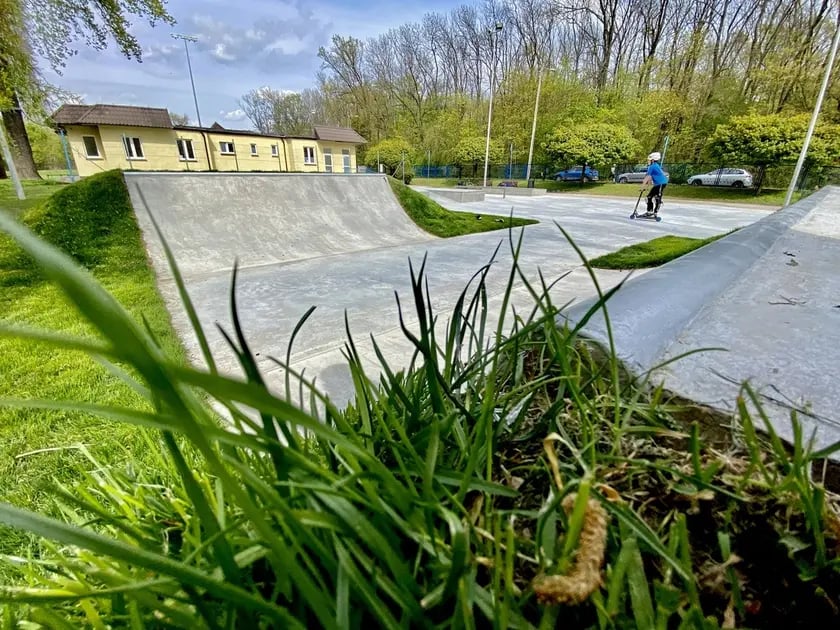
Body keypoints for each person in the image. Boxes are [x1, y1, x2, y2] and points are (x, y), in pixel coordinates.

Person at [641, 151, 668, 217]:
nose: (648, 161)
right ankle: (650, 211)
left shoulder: (652, 166)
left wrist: (642, 187)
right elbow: (650, 178)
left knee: (657, 197)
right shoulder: (654, 166)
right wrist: (646, 187)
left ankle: (655, 212)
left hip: (661, 183)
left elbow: (647, 178)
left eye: (649, 160)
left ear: (653, 160)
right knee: (648, 197)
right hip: (658, 184)